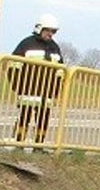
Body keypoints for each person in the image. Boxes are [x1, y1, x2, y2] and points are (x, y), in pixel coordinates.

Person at [12, 12, 64, 144]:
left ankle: (39, 145)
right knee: (24, 117)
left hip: (47, 94)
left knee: (43, 119)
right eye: (48, 30)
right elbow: (13, 66)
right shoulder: (26, 43)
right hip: (27, 90)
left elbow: (60, 71)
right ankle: (19, 144)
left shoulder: (55, 47)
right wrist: (17, 86)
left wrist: (56, 90)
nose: (50, 34)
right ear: (39, 28)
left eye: (53, 31)